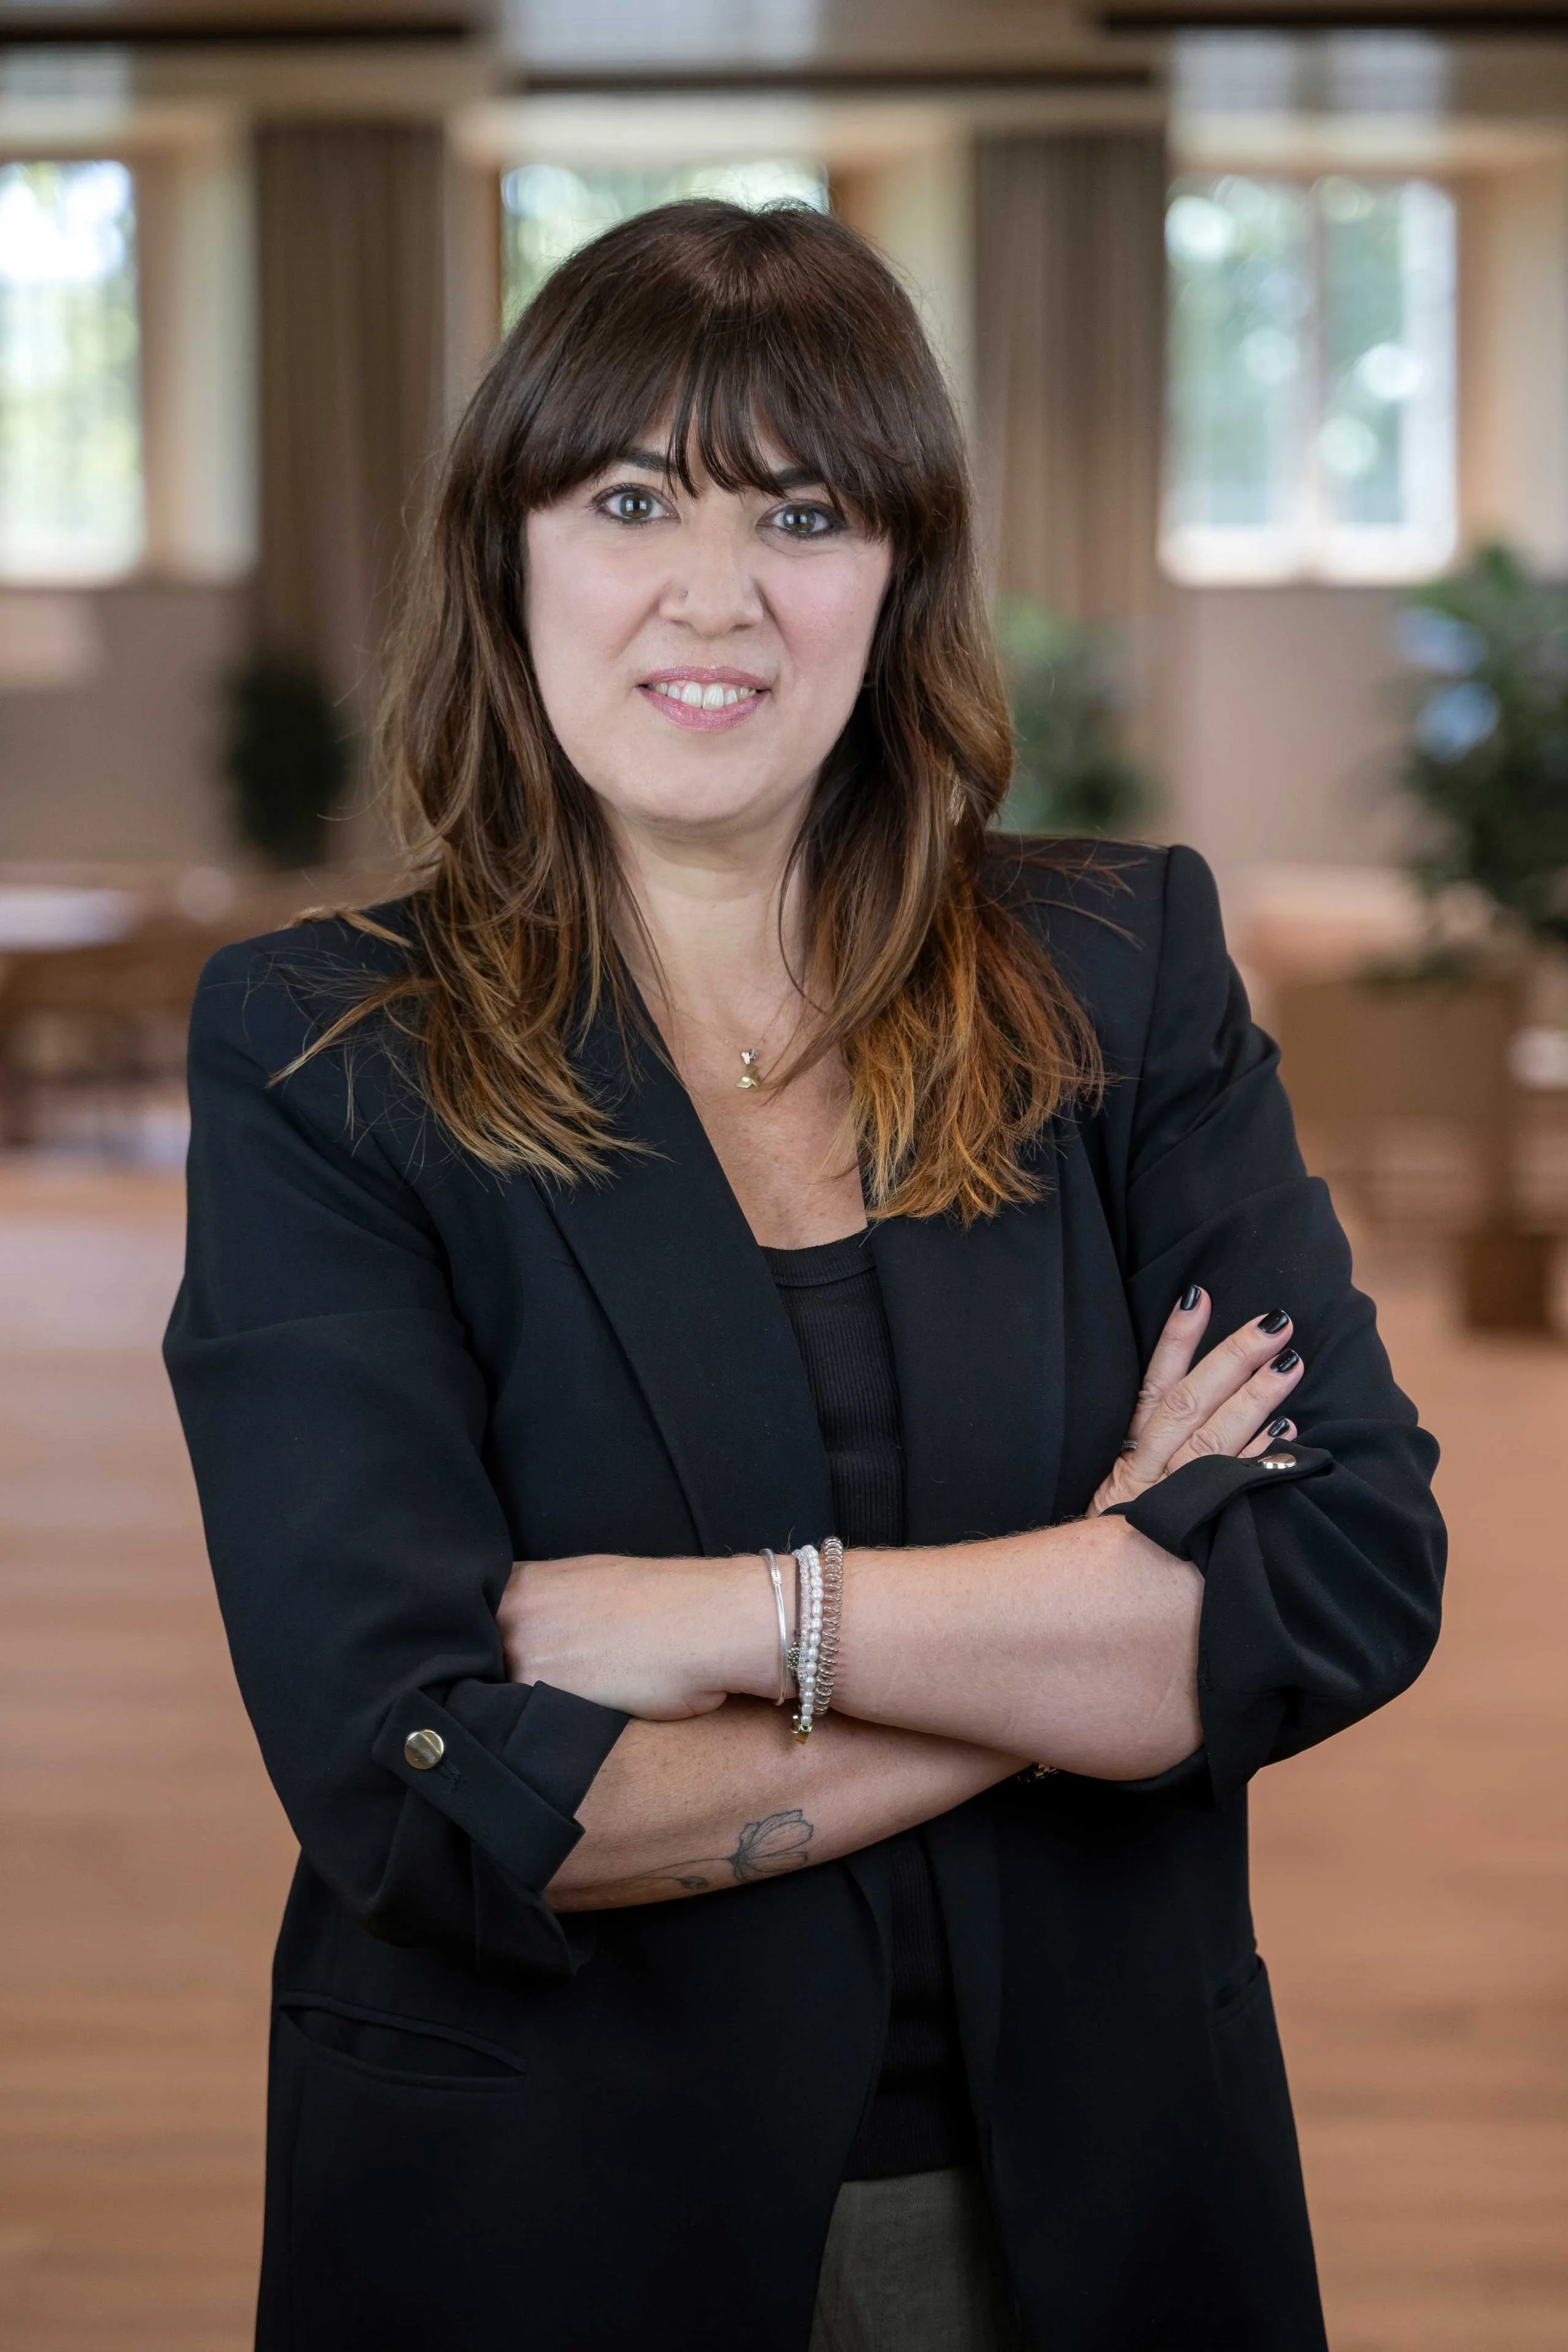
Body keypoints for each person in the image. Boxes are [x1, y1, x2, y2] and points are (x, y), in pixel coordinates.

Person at [164, 199, 1444, 2352]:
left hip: (1099, 2210)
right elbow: (447, 1795)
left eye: (806, 508)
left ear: (898, 577)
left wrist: (732, 1624)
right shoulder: (326, 1052)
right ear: (511, 554)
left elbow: (1340, 1569)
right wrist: (1099, 1617)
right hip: (544, 2222)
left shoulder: (1119, 976)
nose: (713, 594)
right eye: (632, 496)